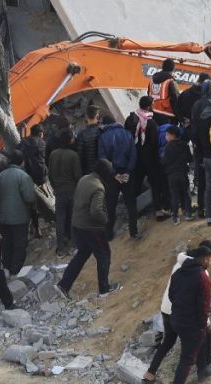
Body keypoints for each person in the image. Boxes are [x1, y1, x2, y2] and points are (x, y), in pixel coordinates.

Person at [143, 241, 211, 384]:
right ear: (204, 257)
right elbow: (203, 304)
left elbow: (172, 293)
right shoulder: (202, 273)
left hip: (170, 310)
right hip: (185, 315)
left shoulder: (180, 266)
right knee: (195, 347)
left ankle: (150, 373)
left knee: (168, 343)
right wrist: (204, 324)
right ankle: (204, 370)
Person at [57, 159, 118, 298]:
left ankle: (63, 285)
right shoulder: (98, 187)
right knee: (104, 254)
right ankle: (104, 289)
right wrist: (106, 220)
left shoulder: (84, 179)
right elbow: (96, 211)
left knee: (82, 254)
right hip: (92, 227)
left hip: (77, 224)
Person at [168, 244, 211, 384]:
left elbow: (172, 296)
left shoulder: (178, 272)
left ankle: (203, 372)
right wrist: (202, 326)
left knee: (194, 348)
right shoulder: (202, 277)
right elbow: (204, 306)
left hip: (176, 319)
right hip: (192, 324)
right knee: (187, 360)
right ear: (205, 259)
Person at [0, 149, 37, 275]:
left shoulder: (1, 175)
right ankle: (15, 272)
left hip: (4, 218)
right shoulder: (23, 176)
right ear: (22, 162)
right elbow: (29, 198)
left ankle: (6, 268)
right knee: (19, 245)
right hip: (20, 218)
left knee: (6, 245)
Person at [99, 113, 138, 239]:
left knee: (111, 205)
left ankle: (108, 234)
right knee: (131, 203)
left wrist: (115, 174)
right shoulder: (127, 134)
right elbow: (133, 155)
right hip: (127, 174)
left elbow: (102, 158)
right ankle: (134, 232)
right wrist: (127, 172)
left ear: (105, 124)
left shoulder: (103, 137)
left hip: (112, 176)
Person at [131, 96, 168, 221]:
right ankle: (158, 211)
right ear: (148, 106)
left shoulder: (131, 119)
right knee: (155, 185)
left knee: (135, 185)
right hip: (150, 159)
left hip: (136, 158)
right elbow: (154, 144)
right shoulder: (151, 123)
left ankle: (132, 213)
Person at [49, 131, 82, 256]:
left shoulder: (53, 154)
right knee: (73, 217)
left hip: (59, 191)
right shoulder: (73, 155)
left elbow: (50, 174)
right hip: (71, 190)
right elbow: (78, 175)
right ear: (70, 141)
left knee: (60, 219)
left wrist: (55, 186)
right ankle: (74, 245)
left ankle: (61, 248)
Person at [162, 126, 195, 223]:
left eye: (167, 135)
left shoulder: (168, 147)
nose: (166, 137)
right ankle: (188, 214)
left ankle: (175, 217)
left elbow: (164, 161)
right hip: (183, 172)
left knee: (174, 195)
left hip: (172, 175)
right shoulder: (184, 145)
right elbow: (189, 158)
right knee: (186, 193)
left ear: (172, 135)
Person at [149, 58, 181, 124]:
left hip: (153, 113)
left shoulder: (152, 80)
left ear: (162, 67)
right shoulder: (171, 81)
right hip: (167, 116)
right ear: (173, 69)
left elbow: (148, 94)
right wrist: (179, 117)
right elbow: (175, 99)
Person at [77, 105, 102, 174]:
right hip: (101, 171)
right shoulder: (102, 132)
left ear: (86, 116)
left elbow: (79, 156)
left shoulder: (81, 134)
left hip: (86, 171)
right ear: (97, 116)